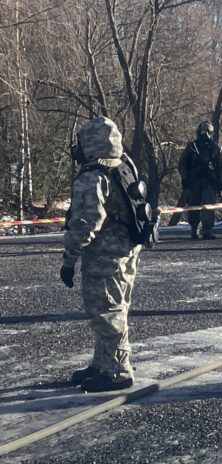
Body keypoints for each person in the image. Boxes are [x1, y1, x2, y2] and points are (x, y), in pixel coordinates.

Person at [60, 116, 143, 392]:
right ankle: (102, 363)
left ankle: (118, 370)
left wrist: (69, 260)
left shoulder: (93, 176)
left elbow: (85, 222)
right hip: (127, 249)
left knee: (106, 308)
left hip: (105, 254)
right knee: (113, 306)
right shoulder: (123, 165)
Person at [177, 121, 222, 240]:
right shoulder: (192, 147)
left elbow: (220, 167)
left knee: (208, 206)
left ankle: (207, 230)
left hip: (209, 182)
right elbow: (182, 164)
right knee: (194, 206)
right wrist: (185, 178)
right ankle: (194, 229)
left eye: (208, 132)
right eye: (203, 132)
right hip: (194, 182)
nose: (205, 135)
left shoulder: (214, 148)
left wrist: (220, 182)